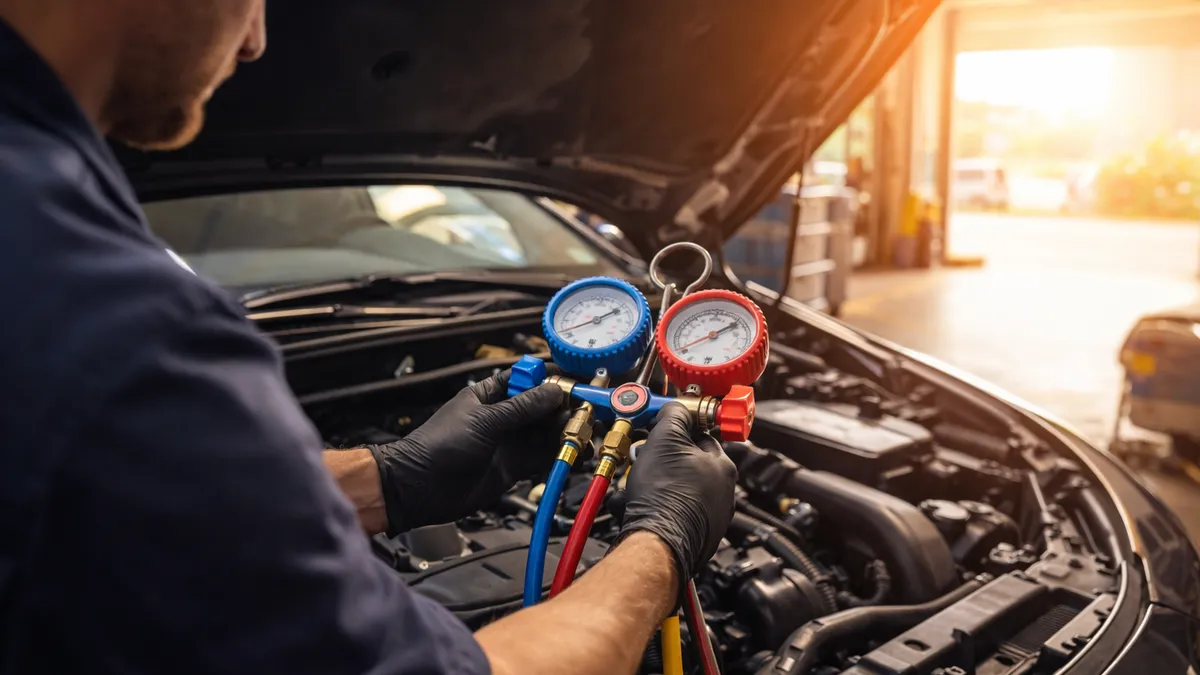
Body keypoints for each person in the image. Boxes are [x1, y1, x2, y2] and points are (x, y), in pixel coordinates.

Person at [0, 1, 738, 674]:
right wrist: (663, 544)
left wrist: (389, 475)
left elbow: (136, 503)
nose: (256, 40)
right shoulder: (113, 314)